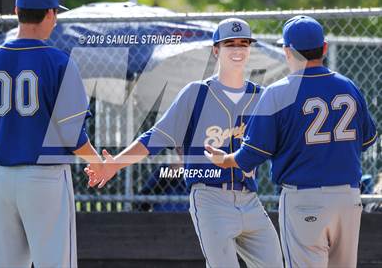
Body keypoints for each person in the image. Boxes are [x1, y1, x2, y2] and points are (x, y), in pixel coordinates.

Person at [86, 18, 283, 268]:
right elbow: (154, 138)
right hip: (210, 198)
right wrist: (114, 165)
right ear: (216, 50)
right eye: (229, 44)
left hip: (250, 199)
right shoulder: (196, 94)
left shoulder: (261, 96)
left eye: (243, 44)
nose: (237, 50)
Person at [205, 15, 377, 267]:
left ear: (288, 51)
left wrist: (225, 159)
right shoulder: (348, 86)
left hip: (303, 200)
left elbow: (250, 155)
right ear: (325, 48)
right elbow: (367, 140)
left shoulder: (278, 92)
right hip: (348, 198)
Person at [0, 0, 103, 267]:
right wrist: (99, 162)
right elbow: (72, 134)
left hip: (1, 179)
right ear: (51, 14)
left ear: (17, 10)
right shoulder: (58, 62)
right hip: (45, 180)